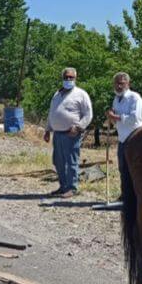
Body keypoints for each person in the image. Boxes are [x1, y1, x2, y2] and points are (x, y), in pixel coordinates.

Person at [42, 66, 92, 198]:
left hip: (72, 134)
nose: (68, 79)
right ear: (62, 78)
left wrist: (79, 127)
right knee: (58, 161)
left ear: (75, 78)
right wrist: (47, 129)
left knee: (71, 162)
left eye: (71, 77)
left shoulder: (81, 94)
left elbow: (88, 114)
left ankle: (72, 188)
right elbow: (52, 113)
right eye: (66, 77)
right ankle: (63, 186)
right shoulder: (57, 94)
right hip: (57, 134)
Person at [106, 71, 142, 187]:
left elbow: (134, 118)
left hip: (135, 138)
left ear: (128, 84)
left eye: (122, 83)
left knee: (135, 170)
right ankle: (125, 195)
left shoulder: (135, 97)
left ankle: (136, 197)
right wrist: (110, 117)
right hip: (122, 139)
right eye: (117, 83)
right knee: (123, 169)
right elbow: (115, 121)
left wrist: (115, 117)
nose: (119, 86)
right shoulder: (116, 99)